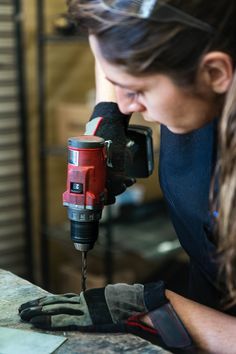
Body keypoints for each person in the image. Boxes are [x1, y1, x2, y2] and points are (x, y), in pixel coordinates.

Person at [19, 1, 236, 353]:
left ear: (213, 73)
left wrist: (157, 308)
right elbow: (108, 40)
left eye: (135, 90)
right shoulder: (191, 100)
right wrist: (108, 116)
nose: (127, 104)